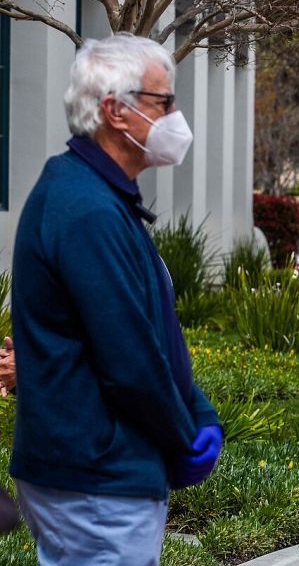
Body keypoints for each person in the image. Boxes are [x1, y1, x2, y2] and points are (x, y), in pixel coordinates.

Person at [9, 33, 222, 565]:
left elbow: (152, 330)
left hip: (99, 472)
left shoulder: (101, 198)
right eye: (163, 102)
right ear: (116, 111)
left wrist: (197, 410)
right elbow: (129, 358)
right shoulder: (87, 209)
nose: (175, 116)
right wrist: (182, 437)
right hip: (98, 475)